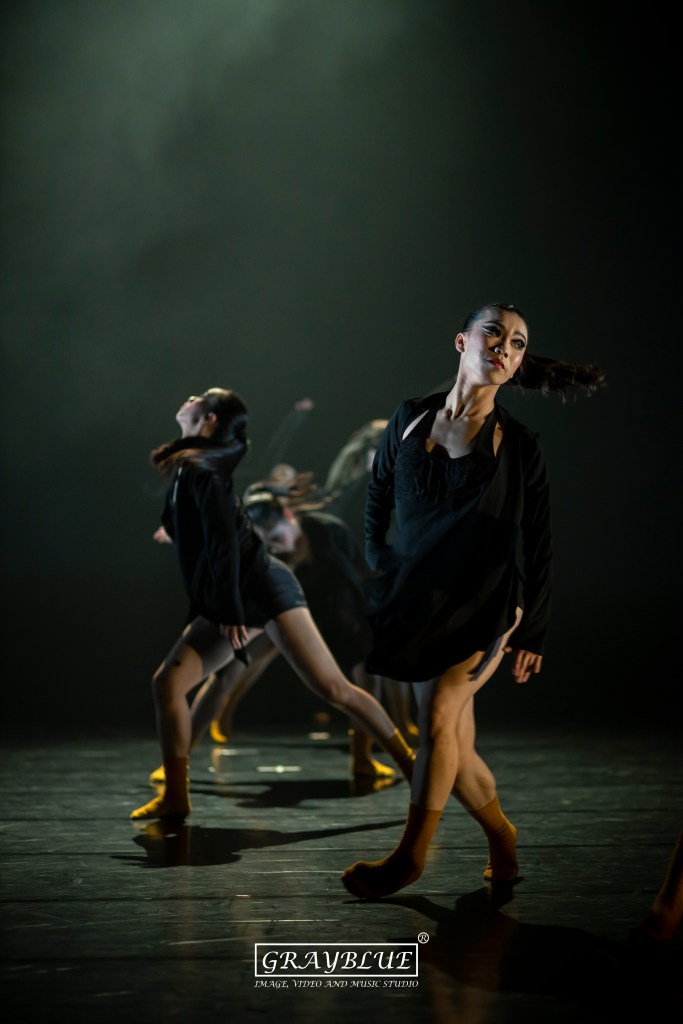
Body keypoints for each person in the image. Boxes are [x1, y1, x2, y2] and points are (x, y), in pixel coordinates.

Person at [340, 302, 605, 899]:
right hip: (417, 598)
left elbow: (539, 541)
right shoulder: (410, 416)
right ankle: (503, 839)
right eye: (495, 334)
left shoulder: (520, 444)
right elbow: (378, 491)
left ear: (518, 363)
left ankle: (409, 858)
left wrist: (533, 629)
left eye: (518, 343)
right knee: (454, 745)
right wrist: (379, 557)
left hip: (484, 603)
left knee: (436, 719)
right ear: (462, 341)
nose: (505, 348)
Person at [131, 388, 415, 821]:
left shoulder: (207, 470)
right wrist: (174, 527)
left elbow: (226, 544)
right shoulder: (194, 462)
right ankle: (176, 795)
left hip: (262, 587)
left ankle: (414, 768)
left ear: (209, 420)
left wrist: (230, 611)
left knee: (333, 688)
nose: (189, 398)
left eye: (201, 398)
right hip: (237, 590)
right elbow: (192, 515)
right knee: (168, 684)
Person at [148, 486, 398, 779]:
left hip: (340, 614)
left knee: (366, 681)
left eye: (277, 538)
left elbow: (362, 570)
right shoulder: (264, 549)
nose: (274, 546)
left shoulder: (327, 531)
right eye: (267, 542)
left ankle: (362, 758)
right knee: (227, 674)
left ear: (289, 517)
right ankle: (179, 758)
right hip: (285, 613)